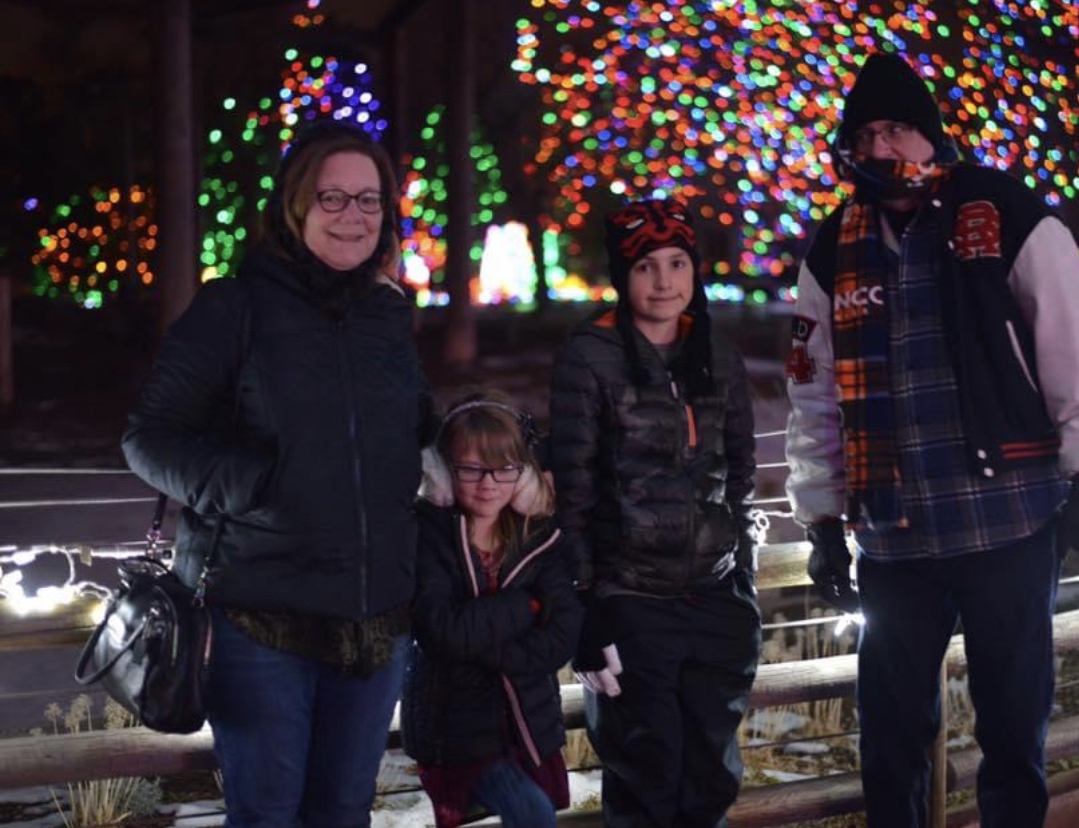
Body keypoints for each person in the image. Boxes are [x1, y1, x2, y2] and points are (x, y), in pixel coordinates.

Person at [783, 52, 1079, 828]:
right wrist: (821, 519)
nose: (879, 148)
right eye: (864, 135)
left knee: (1012, 727)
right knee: (891, 738)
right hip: (891, 534)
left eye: (896, 129)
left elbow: (1071, 348)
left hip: (1007, 518)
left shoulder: (1005, 211)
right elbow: (813, 394)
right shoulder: (831, 248)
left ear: (931, 135)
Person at [121, 118, 436, 828]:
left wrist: (481, 442)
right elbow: (148, 438)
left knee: (343, 811)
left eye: (369, 199)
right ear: (296, 206)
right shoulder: (234, 306)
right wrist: (256, 487)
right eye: (333, 197)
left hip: (376, 619)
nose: (354, 215)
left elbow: (414, 428)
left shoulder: (387, 313)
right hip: (260, 617)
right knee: (268, 813)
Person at [549, 195, 762, 828]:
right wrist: (587, 608)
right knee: (647, 777)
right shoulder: (591, 355)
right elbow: (573, 491)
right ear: (623, 275)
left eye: (677, 263)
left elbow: (740, 471)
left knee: (710, 778)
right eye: (645, 266)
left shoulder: (716, 351)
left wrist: (741, 575)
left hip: (715, 600)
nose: (664, 281)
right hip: (631, 601)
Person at [400, 392, 581, 828]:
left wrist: (489, 647)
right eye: (471, 469)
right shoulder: (429, 536)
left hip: (528, 725)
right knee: (532, 813)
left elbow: (563, 632)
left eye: (504, 469)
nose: (488, 483)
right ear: (443, 471)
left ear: (523, 474)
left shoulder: (537, 536)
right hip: (457, 731)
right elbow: (443, 631)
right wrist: (525, 606)